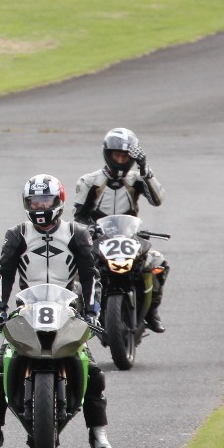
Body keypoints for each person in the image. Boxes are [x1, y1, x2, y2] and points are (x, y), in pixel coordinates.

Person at [0, 174, 112, 448]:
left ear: (59, 201)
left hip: (68, 310)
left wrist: (92, 313)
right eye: (34, 201)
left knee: (93, 372)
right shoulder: (17, 233)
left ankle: (98, 432)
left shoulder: (76, 233)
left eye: (46, 200)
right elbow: (3, 274)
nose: (40, 206)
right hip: (27, 310)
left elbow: (91, 276)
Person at [74, 127, 168, 332]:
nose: (120, 160)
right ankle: (79, 312)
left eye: (125, 157)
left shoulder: (137, 179)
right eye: (117, 155)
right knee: (75, 268)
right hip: (98, 239)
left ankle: (152, 312)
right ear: (108, 154)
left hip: (129, 237)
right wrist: (89, 229)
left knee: (158, 262)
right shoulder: (89, 181)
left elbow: (157, 200)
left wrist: (145, 170)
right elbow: (79, 215)